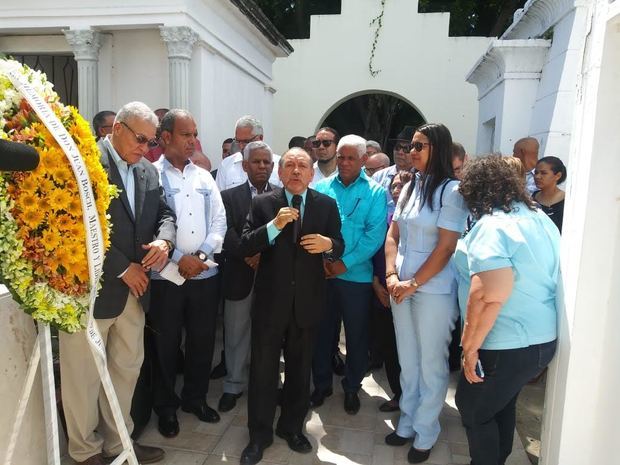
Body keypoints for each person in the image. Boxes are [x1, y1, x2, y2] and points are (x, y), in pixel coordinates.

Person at [59, 102, 176, 465]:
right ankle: (84, 451)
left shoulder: (148, 172)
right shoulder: (83, 163)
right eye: (140, 139)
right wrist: (122, 268)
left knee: (126, 371)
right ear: (118, 129)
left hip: (135, 294)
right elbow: (71, 224)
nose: (146, 148)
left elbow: (165, 214)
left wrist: (165, 241)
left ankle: (118, 443)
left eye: (152, 141)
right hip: (90, 292)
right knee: (83, 377)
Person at [238, 148, 344, 465]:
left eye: (302, 166)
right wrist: (273, 227)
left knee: (300, 371)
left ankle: (292, 428)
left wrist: (329, 246)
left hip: (307, 303)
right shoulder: (263, 203)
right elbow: (245, 243)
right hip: (271, 304)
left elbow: (339, 244)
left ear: (312, 174)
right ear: (280, 173)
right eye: (290, 166)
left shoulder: (325, 204)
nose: (296, 171)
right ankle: (258, 436)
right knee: (263, 371)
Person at [453, 155, 560, 465]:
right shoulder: (537, 217)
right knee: (500, 405)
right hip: (539, 340)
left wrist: (470, 347)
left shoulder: (493, 225)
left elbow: (489, 295)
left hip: (506, 342)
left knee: (473, 408)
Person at [383, 123, 469, 464]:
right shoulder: (408, 186)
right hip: (399, 286)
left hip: (432, 289)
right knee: (408, 359)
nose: (412, 152)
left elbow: (446, 247)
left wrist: (412, 283)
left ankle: (426, 430)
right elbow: (393, 236)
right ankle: (406, 422)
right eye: (411, 146)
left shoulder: (452, 191)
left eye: (419, 146)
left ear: (438, 149)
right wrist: (391, 275)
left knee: (431, 362)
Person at [149, 109, 226, 437]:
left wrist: (201, 255)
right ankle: (166, 407)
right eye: (186, 134)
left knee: (202, 341)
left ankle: (194, 398)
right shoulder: (150, 175)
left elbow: (219, 220)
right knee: (165, 346)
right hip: (165, 276)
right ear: (166, 137)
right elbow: (150, 223)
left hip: (204, 276)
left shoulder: (204, 176)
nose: (193, 140)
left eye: (194, 133)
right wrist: (181, 259)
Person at [311, 134, 388, 415]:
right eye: (340, 157)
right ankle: (321, 385)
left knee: (356, 337)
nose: (343, 162)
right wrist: (322, 263)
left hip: (355, 278)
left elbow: (374, 236)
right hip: (324, 276)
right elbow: (312, 229)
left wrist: (345, 263)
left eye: (350, 158)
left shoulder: (376, 193)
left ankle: (352, 386)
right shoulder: (320, 188)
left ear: (363, 160)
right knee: (322, 333)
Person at [218, 141, 276, 413]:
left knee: (269, 334)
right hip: (239, 275)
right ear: (245, 166)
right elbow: (226, 233)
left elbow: (284, 235)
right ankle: (233, 384)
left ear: (273, 166)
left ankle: (268, 384)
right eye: (256, 162)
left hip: (270, 278)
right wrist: (248, 255)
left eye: (266, 162)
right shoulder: (228, 197)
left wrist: (262, 256)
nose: (262, 166)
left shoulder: (281, 196)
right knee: (236, 332)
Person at [370, 170, 411, 412]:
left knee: (407, 347)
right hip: (383, 292)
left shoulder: (417, 221)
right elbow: (377, 254)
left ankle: (412, 395)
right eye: (394, 186)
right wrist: (376, 284)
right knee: (390, 346)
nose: (396, 191)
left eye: (402, 186)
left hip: (409, 292)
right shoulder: (383, 218)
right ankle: (398, 392)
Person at [215, 115, 281, 190]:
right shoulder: (226, 165)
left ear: (260, 138)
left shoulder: (279, 164)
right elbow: (220, 199)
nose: (241, 146)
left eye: (246, 141)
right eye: (237, 141)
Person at [373, 126, 415, 215]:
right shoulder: (378, 176)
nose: (400, 152)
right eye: (397, 147)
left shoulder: (421, 178)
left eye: (406, 149)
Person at [533, 156, 566, 233]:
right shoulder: (532, 198)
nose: (537, 177)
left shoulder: (568, 201)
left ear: (558, 176)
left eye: (543, 173)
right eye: (536, 173)